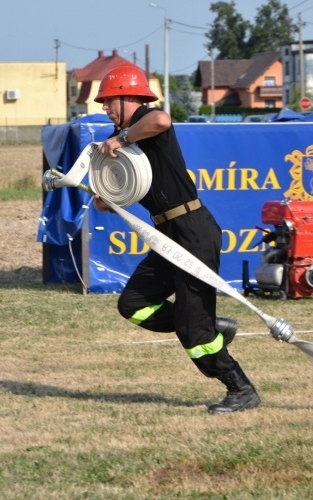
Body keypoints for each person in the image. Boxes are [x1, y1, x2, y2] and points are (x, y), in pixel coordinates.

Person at [91, 63, 260, 414]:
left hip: (192, 230)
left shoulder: (145, 121)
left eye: (108, 100)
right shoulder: (123, 139)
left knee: (194, 332)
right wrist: (107, 198)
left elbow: (162, 120)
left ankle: (240, 389)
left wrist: (121, 138)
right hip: (167, 233)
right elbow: (126, 188)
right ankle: (209, 326)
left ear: (129, 97)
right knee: (133, 304)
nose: (104, 107)